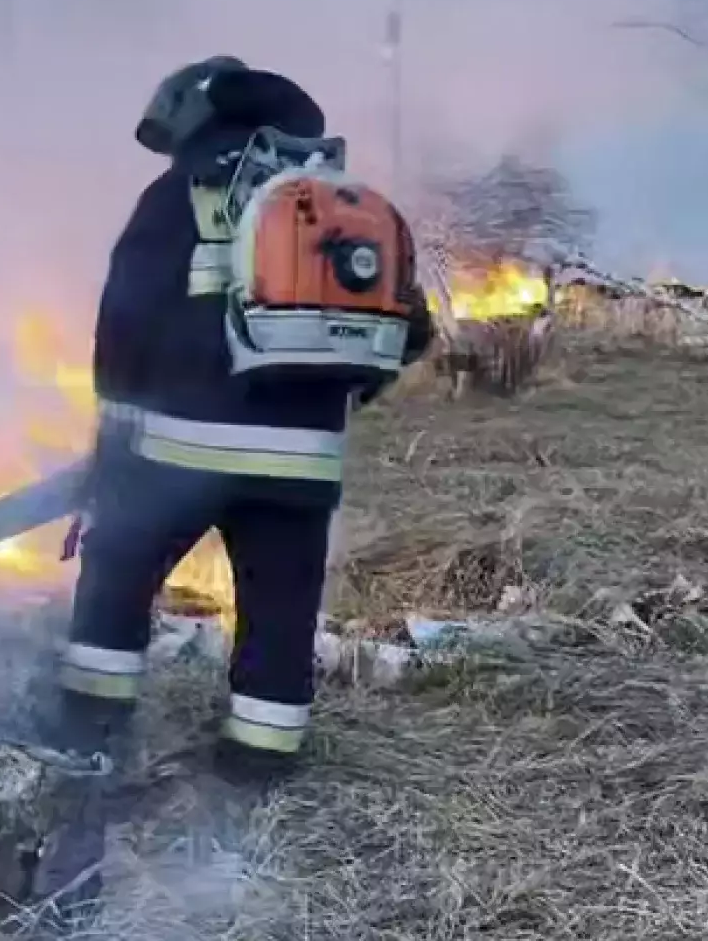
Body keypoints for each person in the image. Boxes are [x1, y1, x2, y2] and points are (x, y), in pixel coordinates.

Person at [51, 56, 435, 785]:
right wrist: (329, 403)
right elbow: (408, 333)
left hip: (176, 455)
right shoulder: (347, 207)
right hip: (303, 466)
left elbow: (123, 326)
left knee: (116, 581)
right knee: (281, 614)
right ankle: (259, 765)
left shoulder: (179, 195)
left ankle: (87, 743)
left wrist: (113, 443)